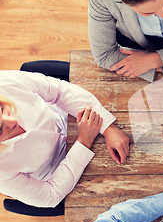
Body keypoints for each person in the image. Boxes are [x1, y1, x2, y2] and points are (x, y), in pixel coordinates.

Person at [0, 70, 129, 208]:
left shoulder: (4, 82)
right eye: (0, 129)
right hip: (61, 171)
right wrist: (84, 142)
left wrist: (108, 127)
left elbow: (58, 91)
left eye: (2, 108)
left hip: (68, 115)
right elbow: (50, 196)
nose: (13, 120)